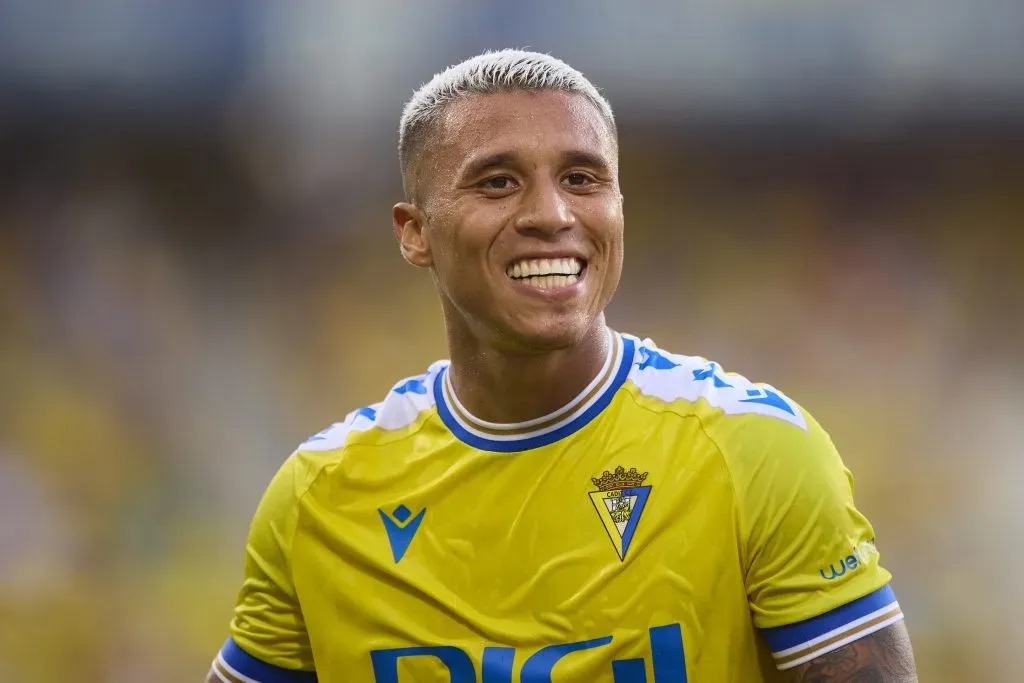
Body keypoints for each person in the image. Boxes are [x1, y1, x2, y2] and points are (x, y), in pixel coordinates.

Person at [205, 50, 917, 682]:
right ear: (415, 232)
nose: (551, 213)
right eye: (496, 183)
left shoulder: (757, 452)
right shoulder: (318, 500)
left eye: (582, 178)